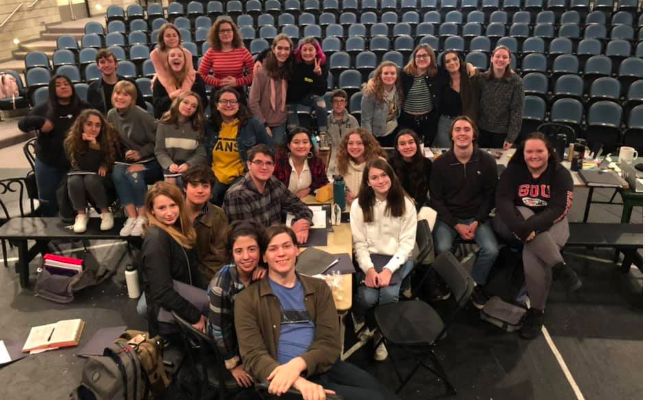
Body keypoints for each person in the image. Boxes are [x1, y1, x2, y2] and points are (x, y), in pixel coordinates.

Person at [234, 225, 403, 400]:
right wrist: (297, 381)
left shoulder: (319, 288)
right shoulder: (247, 300)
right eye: (273, 249)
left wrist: (298, 365)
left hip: (322, 365)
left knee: (385, 394)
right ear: (264, 257)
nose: (281, 253)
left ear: (297, 250)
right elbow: (253, 357)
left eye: (286, 246)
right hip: (281, 380)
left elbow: (330, 343)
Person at [493, 132, 580, 340]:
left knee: (532, 252)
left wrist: (532, 228)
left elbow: (559, 208)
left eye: (539, 151)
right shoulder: (513, 170)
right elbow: (503, 201)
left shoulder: (560, 173)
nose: (534, 155)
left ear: (549, 152)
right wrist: (523, 227)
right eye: (529, 151)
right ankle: (560, 267)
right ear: (522, 153)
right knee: (524, 213)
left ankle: (536, 311)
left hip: (551, 222)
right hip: (515, 221)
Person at [350, 159, 417, 361]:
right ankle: (359, 316)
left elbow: (406, 246)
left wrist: (388, 270)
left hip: (397, 259)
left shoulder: (406, 204)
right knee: (368, 298)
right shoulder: (358, 205)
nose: (380, 180)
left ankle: (381, 335)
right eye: (374, 177)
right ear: (368, 182)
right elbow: (359, 244)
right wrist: (369, 270)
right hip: (369, 259)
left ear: (391, 176)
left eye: (384, 175)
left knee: (388, 294)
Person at [429, 116, 499, 309]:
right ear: (451, 135)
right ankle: (449, 281)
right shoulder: (440, 163)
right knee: (442, 248)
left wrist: (477, 221)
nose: (462, 133)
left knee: (491, 250)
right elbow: (436, 200)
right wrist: (455, 224)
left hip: (477, 217)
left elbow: (490, 196)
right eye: (458, 129)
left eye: (466, 129)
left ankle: (475, 284)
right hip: (449, 218)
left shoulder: (487, 161)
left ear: (473, 134)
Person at [140, 181, 207, 337]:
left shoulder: (178, 228)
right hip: (173, 310)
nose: (169, 213)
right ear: (152, 211)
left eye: (172, 205)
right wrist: (194, 315)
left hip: (184, 297)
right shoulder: (156, 239)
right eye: (162, 208)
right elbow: (161, 291)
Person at [18, 75, 91, 216]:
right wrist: (40, 121)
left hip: (76, 161)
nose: (63, 87)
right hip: (48, 161)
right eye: (58, 85)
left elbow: (100, 125)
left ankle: (76, 226)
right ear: (52, 90)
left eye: (66, 84)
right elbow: (22, 124)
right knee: (47, 201)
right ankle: (52, 234)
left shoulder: (84, 107)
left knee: (74, 198)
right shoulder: (44, 108)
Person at [207, 220, 266, 388]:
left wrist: (266, 267)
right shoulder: (221, 286)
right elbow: (220, 331)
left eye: (252, 249)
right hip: (230, 341)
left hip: (251, 333)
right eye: (239, 251)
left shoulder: (259, 270)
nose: (246, 257)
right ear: (231, 254)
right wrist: (233, 365)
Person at [223, 144, 313, 244]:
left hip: (277, 245)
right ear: (249, 164)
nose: (264, 167)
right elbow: (250, 241)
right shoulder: (237, 195)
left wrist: (304, 224)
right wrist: (290, 232)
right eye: (258, 162)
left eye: (269, 163)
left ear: (274, 167)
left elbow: (298, 205)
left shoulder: (273, 182)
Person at [108, 80, 162, 236]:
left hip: (151, 159)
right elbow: (114, 141)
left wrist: (141, 152)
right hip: (128, 159)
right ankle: (132, 217)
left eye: (126, 94)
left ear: (132, 98)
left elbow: (160, 139)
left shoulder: (140, 114)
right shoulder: (111, 114)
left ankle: (142, 216)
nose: (120, 97)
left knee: (134, 175)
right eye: (117, 93)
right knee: (117, 174)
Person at [205, 87, 273, 206]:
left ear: (238, 105)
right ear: (217, 105)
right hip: (215, 175)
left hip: (242, 174)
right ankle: (204, 222)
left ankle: (235, 224)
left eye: (232, 101)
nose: (228, 105)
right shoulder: (209, 126)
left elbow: (269, 150)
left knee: (234, 198)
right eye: (224, 101)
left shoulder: (253, 124)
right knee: (206, 199)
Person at [64, 109, 118, 233]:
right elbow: (81, 165)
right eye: (89, 124)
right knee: (74, 181)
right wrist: (91, 146)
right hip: (81, 174)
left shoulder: (107, 137)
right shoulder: (71, 141)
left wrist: (95, 147)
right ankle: (81, 215)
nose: (93, 129)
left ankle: (105, 212)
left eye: (97, 125)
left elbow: (111, 161)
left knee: (91, 179)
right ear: (81, 125)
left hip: (104, 179)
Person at [181, 164, 229, 281]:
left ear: (211, 191)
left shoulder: (218, 215)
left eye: (205, 186)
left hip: (205, 277)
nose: (200, 190)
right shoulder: (173, 211)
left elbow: (218, 258)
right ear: (185, 188)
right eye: (194, 185)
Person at [476, 46, 524, 149]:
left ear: (509, 61)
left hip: (502, 133)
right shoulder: (482, 78)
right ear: (492, 58)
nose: (501, 59)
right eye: (497, 56)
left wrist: (511, 138)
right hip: (482, 131)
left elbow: (517, 111)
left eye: (504, 57)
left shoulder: (516, 82)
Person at [248, 34, 292, 145]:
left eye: (286, 49)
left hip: (280, 120)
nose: (283, 52)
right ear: (273, 49)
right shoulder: (262, 71)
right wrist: (263, 124)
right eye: (279, 48)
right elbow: (253, 101)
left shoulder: (290, 69)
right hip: (262, 120)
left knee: (277, 149)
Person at [155, 91, 207, 183]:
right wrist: (169, 164)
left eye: (194, 106)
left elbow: (201, 154)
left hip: (192, 166)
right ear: (178, 102)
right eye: (185, 102)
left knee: (183, 181)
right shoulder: (164, 124)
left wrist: (188, 164)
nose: (189, 107)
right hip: (170, 165)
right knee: (170, 183)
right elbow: (160, 150)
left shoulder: (199, 126)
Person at [198, 17, 254, 101]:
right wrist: (219, 83)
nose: (225, 33)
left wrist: (237, 82)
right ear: (217, 34)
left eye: (228, 30)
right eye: (222, 31)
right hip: (218, 92)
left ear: (233, 32)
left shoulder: (243, 51)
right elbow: (201, 75)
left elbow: (255, 74)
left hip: (238, 92)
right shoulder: (211, 52)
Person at [398, 44, 443, 146]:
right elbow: (385, 75)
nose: (421, 58)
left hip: (429, 120)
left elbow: (455, 69)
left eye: (425, 55)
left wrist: (470, 66)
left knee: (426, 149)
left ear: (431, 57)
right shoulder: (404, 73)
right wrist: (372, 82)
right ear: (414, 58)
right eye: (418, 56)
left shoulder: (437, 73)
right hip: (407, 120)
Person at [434, 51, 480, 148]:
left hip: (466, 122)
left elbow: (489, 76)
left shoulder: (471, 76)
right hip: (445, 123)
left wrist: (469, 65)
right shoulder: (441, 80)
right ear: (444, 66)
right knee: (446, 152)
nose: (452, 63)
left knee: (465, 151)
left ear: (459, 60)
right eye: (447, 61)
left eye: (455, 59)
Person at [285, 37, 329, 138]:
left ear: (316, 51)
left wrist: (318, 75)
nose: (307, 53)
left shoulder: (321, 65)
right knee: (293, 129)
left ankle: (323, 135)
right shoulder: (293, 59)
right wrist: (259, 60)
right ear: (300, 51)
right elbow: (272, 51)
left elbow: (321, 92)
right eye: (304, 50)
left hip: (307, 97)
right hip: (290, 98)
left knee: (321, 103)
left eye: (310, 50)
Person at [153, 46, 208, 119]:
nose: (176, 57)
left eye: (180, 55)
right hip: (169, 120)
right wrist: (170, 97)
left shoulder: (196, 77)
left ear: (185, 60)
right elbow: (157, 107)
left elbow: (204, 102)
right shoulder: (159, 80)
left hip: (192, 119)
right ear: (168, 61)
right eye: (172, 55)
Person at [273, 127, 329, 198]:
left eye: (305, 142)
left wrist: (309, 189)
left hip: (306, 204)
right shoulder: (278, 161)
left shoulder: (316, 162)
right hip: (280, 204)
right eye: (296, 142)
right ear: (289, 146)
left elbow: (323, 181)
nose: (301, 146)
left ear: (310, 145)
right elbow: (270, 187)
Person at [336, 128, 386, 205]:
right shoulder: (341, 162)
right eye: (350, 143)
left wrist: (360, 199)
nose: (354, 147)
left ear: (367, 145)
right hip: (349, 208)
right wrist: (345, 193)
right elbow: (339, 184)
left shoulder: (379, 162)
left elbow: (384, 189)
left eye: (359, 143)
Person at [87, 48, 146, 114]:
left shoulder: (130, 83)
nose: (106, 65)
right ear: (98, 66)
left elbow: (142, 108)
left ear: (116, 64)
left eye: (110, 61)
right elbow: (91, 114)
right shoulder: (93, 88)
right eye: (102, 62)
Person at [361, 61, 403, 148]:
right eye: (386, 73)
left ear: (397, 75)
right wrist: (370, 141)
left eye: (392, 73)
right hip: (377, 136)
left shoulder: (398, 89)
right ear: (380, 75)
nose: (389, 76)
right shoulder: (370, 93)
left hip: (394, 132)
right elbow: (366, 121)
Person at [388, 129, 432, 210]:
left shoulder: (427, 164)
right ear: (397, 147)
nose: (407, 146)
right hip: (397, 206)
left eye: (411, 142)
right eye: (402, 144)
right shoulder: (390, 163)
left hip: (420, 207)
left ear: (417, 144)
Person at [150, 23, 197, 98]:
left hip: (183, 80)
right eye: (168, 36)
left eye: (174, 35)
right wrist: (174, 95)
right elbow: (164, 76)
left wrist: (184, 95)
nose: (172, 38)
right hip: (166, 82)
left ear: (179, 37)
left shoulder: (187, 53)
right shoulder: (155, 54)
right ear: (162, 38)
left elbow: (189, 75)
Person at [326, 89, 359, 176]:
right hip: (331, 160)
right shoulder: (325, 121)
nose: (339, 104)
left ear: (346, 104)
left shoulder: (353, 121)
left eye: (342, 101)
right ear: (332, 103)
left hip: (350, 159)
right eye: (336, 101)